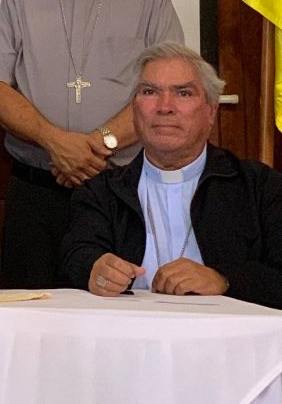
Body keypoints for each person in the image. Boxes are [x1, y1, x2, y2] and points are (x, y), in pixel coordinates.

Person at [0, 0, 184, 288]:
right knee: (32, 310)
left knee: (120, 306)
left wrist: (95, 146)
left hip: (120, 189)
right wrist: (56, 142)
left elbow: (166, 90)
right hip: (36, 189)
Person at [62, 43, 282, 308]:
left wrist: (224, 279)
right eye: (150, 92)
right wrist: (94, 268)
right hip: (128, 330)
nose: (165, 107)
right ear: (134, 110)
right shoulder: (101, 191)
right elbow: (77, 254)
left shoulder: (261, 187)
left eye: (183, 93)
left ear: (211, 111)